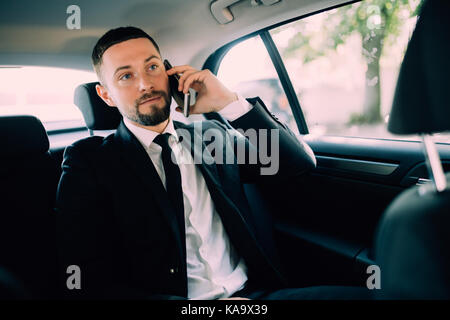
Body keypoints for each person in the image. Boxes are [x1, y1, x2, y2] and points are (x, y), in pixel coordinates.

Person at [55, 26, 368, 300]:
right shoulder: (89, 162)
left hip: (257, 294)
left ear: (169, 73)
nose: (144, 84)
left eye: (152, 67)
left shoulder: (210, 137)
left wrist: (229, 103)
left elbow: (296, 164)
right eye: (126, 75)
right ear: (106, 95)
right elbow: (87, 280)